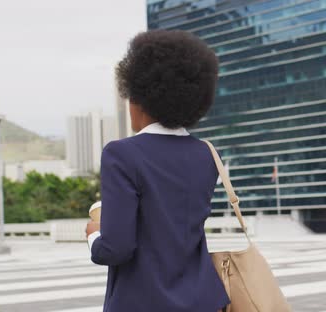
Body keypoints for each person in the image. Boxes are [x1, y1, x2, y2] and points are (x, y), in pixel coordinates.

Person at [85, 30, 230, 312]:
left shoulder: (121, 154)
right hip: (204, 301)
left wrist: (93, 235)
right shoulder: (207, 154)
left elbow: (116, 248)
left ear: (138, 98)